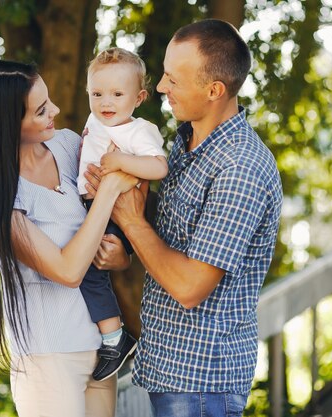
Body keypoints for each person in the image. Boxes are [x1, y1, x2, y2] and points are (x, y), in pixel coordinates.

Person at [85, 19, 283, 416]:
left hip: (202, 384)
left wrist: (132, 222)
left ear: (214, 90)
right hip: (169, 369)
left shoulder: (239, 167)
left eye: (173, 80)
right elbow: (169, 240)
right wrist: (125, 252)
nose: (159, 88)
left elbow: (191, 286)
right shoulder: (185, 144)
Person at [0, 60, 138, 417]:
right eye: (41, 110)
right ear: (6, 126)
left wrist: (119, 256)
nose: (56, 111)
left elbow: (112, 225)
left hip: (101, 350)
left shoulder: (67, 146)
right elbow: (67, 270)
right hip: (49, 359)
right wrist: (110, 187)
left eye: (48, 101)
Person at [76, 47, 169, 382]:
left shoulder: (137, 131)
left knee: (86, 270)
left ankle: (115, 338)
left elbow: (158, 166)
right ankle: (107, 334)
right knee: (83, 267)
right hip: (92, 207)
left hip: (119, 212)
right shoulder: (95, 122)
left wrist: (119, 163)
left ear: (140, 97)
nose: (106, 102)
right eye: (97, 94)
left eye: (117, 94)